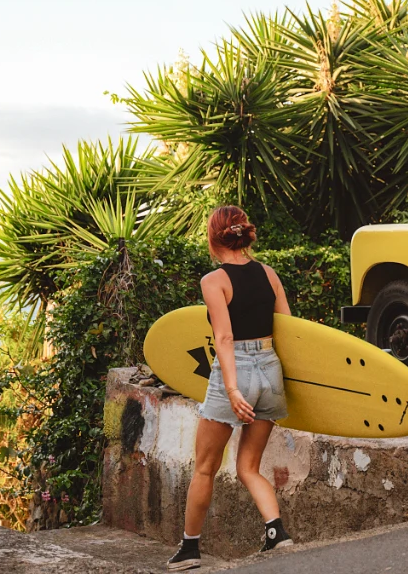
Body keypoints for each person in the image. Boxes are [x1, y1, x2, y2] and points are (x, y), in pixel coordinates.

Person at [168, 206, 294, 571]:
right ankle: (276, 532)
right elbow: (289, 329)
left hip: (234, 372)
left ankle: (190, 549)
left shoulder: (213, 281)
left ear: (213, 239)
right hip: (271, 369)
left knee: (205, 467)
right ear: (243, 236)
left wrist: (234, 389)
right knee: (249, 466)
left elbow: (223, 336)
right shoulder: (269, 274)